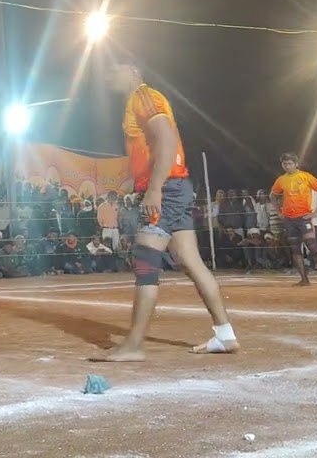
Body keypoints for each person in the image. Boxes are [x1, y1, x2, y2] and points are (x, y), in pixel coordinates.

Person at [93, 64, 237, 362]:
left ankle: (133, 345)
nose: (108, 77)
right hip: (176, 185)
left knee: (146, 260)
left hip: (168, 187)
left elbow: (167, 138)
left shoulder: (143, 96)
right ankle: (225, 335)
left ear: (133, 70)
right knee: (190, 261)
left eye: (113, 70)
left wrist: (155, 187)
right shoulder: (140, 100)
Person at [270, 154, 317, 286]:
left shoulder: (305, 176)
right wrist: (279, 212)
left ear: (296, 164)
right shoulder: (281, 180)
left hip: (303, 218)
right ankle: (304, 280)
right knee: (295, 250)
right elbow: (273, 195)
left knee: (313, 248)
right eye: (284, 164)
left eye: (289, 163)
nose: (287, 166)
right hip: (289, 219)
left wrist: (316, 212)